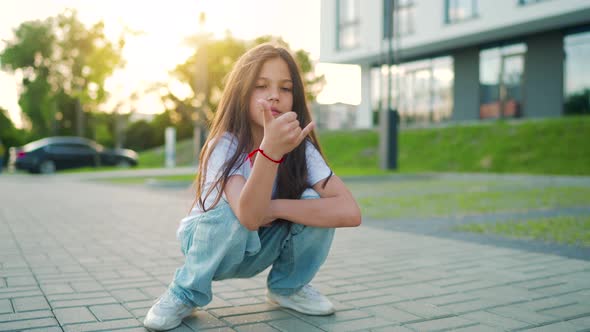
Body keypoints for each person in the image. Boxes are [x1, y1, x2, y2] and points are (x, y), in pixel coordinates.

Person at [143, 43, 362, 330]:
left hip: (261, 242)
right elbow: (246, 215)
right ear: (241, 92)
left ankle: (288, 288)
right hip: (209, 244)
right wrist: (270, 151)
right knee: (233, 207)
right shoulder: (224, 145)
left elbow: (349, 211)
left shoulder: (300, 149)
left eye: (285, 88)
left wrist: (277, 207)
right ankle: (184, 292)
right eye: (261, 86)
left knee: (313, 202)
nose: (274, 95)